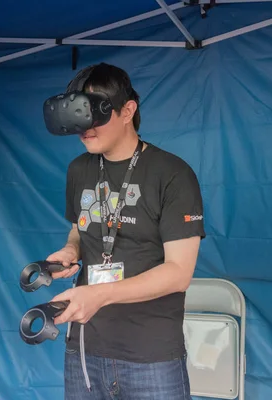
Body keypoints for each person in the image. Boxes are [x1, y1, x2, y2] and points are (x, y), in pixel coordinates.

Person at [46, 62, 205, 399]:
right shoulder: (79, 169)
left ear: (127, 110)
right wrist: (71, 251)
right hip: (86, 348)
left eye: (93, 115)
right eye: (78, 116)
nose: (84, 129)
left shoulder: (173, 175)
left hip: (151, 356)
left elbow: (178, 273)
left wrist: (100, 294)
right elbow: (80, 229)